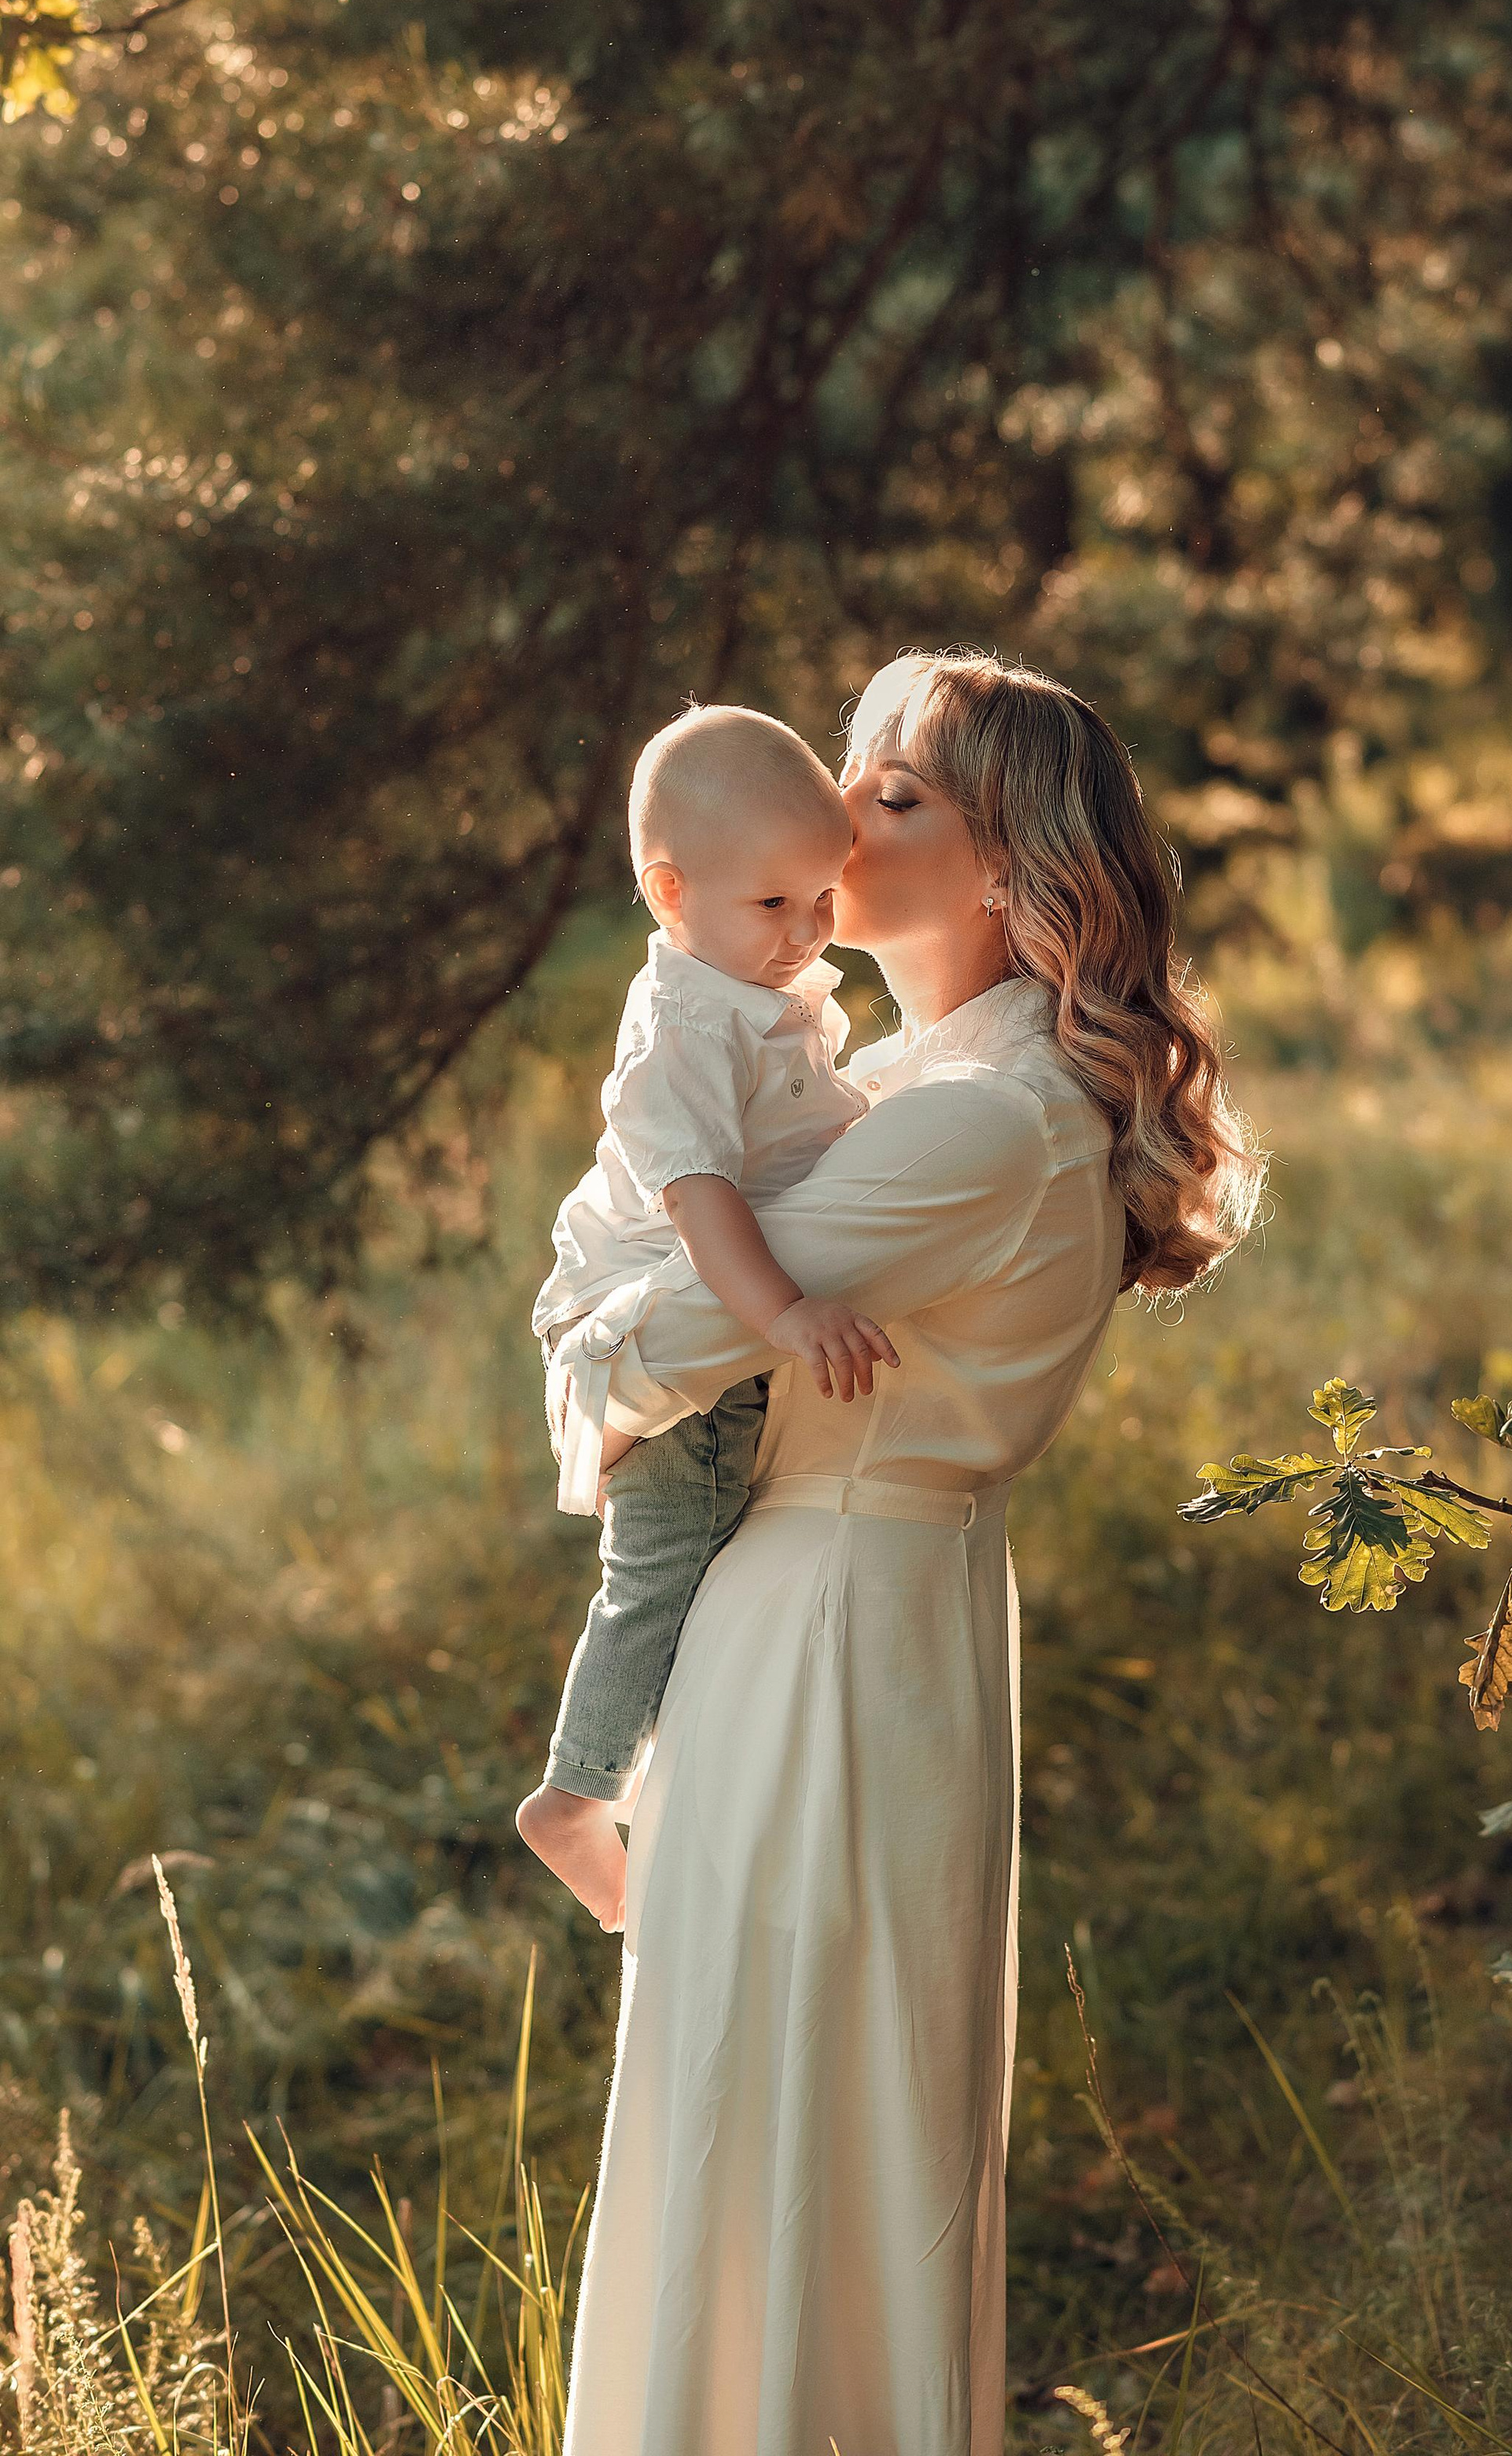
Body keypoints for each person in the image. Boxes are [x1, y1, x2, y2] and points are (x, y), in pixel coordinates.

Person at [556, 650, 1261, 2456]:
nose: (833, 814)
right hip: (848, 1602)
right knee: (785, 2108)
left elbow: (635, 1349)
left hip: (833, 1625)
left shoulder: (980, 1118)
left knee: (793, 2116)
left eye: (889, 795)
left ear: (1009, 871)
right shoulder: (921, 1077)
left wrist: (604, 1303)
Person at [517, 705, 896, 1934]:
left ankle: (672, 1775)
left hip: (686, 1305)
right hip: (640, 1313)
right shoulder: (683, 1024)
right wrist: (782, 1316)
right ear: (671, 894)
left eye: (821, 900)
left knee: (715, 1542)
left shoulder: (748, 983)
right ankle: (576, 1795)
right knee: (670, 1550)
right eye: (774, 907)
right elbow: (701, 1200)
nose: (809, 933)